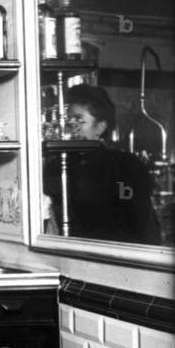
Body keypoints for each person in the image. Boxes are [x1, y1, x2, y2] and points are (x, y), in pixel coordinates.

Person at [43, 84, 160, 244]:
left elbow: (141, 221)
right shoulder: (57, 165)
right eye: (68, 119)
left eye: (79, 120)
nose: (71, 126)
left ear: (100, 127)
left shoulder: (123, 167)